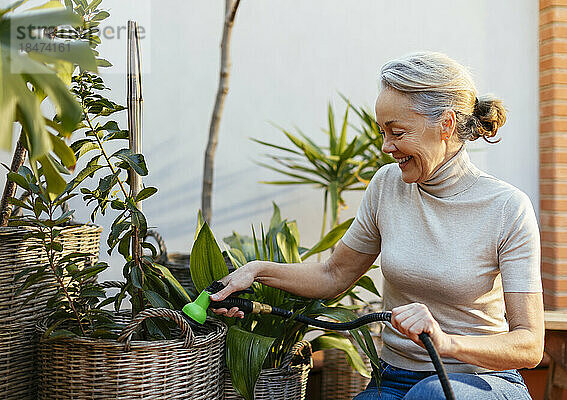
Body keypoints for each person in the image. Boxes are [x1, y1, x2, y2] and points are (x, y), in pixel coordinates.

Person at [209, 51, 544, 400]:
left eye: (397, 132)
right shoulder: (387, 185)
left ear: (446, 124)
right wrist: (256, 271)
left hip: (482, 381)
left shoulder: (507, 208)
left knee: (429, 395)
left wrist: (446, 343)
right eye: (383, 131)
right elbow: (332, 276)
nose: (386, 147)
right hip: (395, 378)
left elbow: (529, 345)